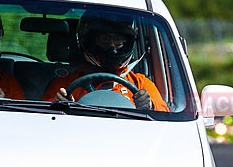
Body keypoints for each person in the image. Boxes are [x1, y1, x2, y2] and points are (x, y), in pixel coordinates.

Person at [41, 11, 169, 111]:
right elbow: (42, 115)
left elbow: (165, 116)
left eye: (118, 39)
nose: (112, 45)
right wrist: (59, 105)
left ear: (126, 41)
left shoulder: (140, 83)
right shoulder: (66, 83)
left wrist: (149, 106)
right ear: (91, 40)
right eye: (105, 38)